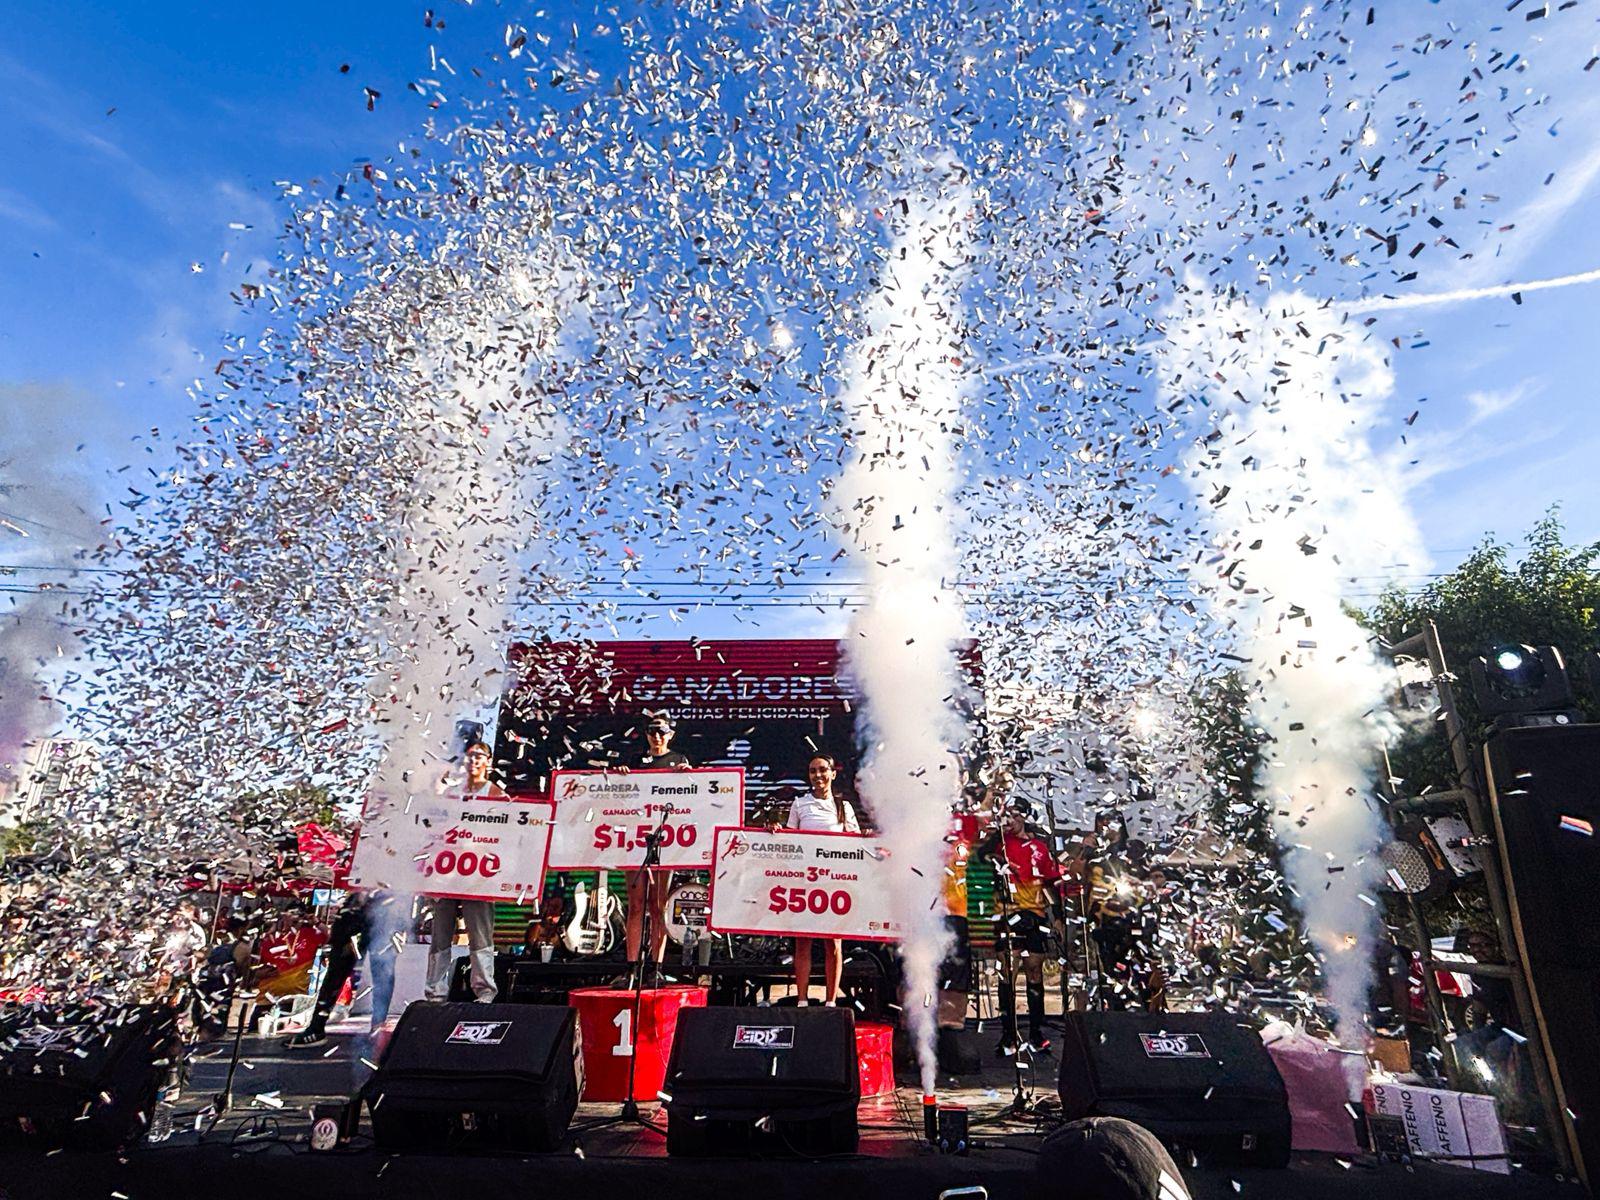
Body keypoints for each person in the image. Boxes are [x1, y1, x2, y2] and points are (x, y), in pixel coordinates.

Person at [424, 739, 505, 1004]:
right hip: (447, 874)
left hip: (478, 875)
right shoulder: (450, 792)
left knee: (480, 933)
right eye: (469, 756)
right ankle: (435, 991)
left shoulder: (496, 794)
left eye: (480, 756)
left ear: (489, 762)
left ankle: (484, 992)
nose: (474, 760)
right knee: (441, 932)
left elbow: (508, 834)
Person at [979, 798, 1062, 1054]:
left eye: (1015, 815)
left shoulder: (1039, 846)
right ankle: (1008, 1035)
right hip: (1006, 914)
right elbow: (980, 857)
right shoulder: (998, 845)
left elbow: (1051, 882)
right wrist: (997, 834)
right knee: (1007, 971)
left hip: (1035, 915)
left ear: (1024, 816)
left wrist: (1057, 916)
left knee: (1035, 971)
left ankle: (1036, 1033)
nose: (1010, 820)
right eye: (1007, 816)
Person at [781, 753, 860, 1006]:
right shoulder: (799, 804)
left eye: (823, 770)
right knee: (802, 941)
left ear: (832, 774)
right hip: (806, 881)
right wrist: (774, 833)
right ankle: (802, 1000)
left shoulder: (843, 806)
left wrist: (868, 838)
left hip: (834, 882)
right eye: (813, 771)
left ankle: (831, 1002)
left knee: (833, 942)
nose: (818, 776)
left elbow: (856, 841)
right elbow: (789, 840)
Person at [615, 715, 692, 964]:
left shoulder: (679, 759)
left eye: (662, 731)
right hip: (636, 838)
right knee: (636, 904)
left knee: (658, 904)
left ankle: (656, 964)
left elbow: (693, 796)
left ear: (670, 734)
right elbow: (621, 796)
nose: (657, 736)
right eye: (652, 731)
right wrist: (621, 776)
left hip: (666, 838)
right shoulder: (635, 760)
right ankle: (632, 964)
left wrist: (689, 776)